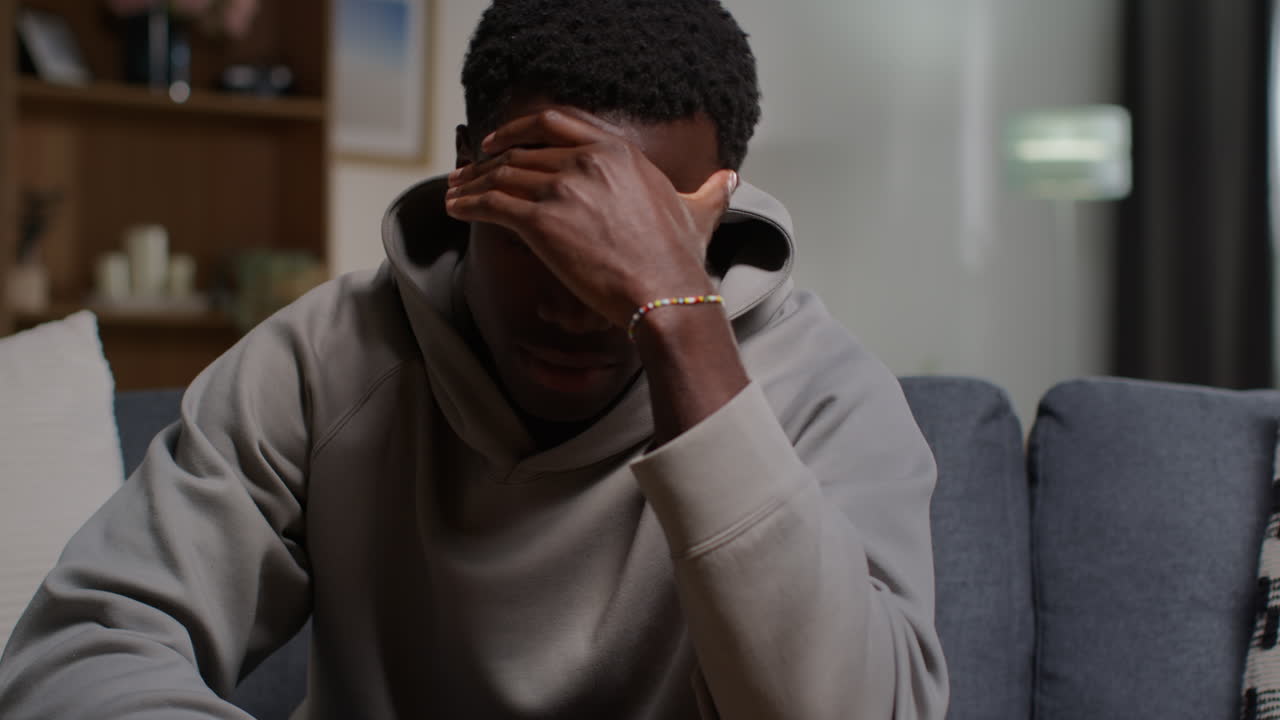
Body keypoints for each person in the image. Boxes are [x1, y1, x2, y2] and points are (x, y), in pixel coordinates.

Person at [0, 1, 948, 717]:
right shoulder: (326, 358)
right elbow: (85, 649)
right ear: (466, 176)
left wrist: (678, 322)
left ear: (717, 213)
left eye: (632, 242)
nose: (579, 302)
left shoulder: (826, 397)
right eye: (543, 225)